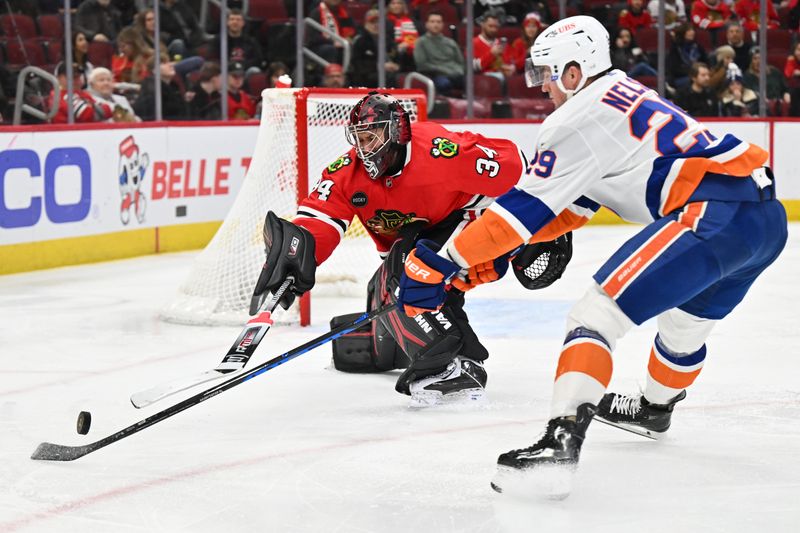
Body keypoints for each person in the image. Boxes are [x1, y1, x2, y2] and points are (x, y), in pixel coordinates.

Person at [394, 15, 787, 496]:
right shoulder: (622, 95)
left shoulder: (577, 118)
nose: (543, 90)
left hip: (715, 215)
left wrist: (445, 262)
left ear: (574, 71)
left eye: (546, 76)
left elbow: (519, 214)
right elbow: (568, 210)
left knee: (596, 314)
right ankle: (654, 409)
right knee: (684, 326)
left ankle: (558, 445)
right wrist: (501, 250)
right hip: (765, 220)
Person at [248, 92, 556, 407]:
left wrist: (533, 233)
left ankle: (450, 368)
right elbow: (319, 220)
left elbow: (521, 169)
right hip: (409, 244)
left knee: (407, 271)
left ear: (397, 131)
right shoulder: (346, 172)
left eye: (372, 136)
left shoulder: (441, 153)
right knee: (383, 288)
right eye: (359, 138)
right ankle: (394, 346)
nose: (364, 148)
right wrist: (296, 255)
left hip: (462, 226)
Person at [413, 11, 465, 96]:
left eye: (438, 22)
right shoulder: (420, 42)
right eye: (432, 22)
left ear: (442, 25)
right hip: (436, 75)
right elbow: (422, 65)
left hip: (456, 74)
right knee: (444, 84)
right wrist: (444, 70)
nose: (435, 24)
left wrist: (458, 71)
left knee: (472, 82)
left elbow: (461, 62)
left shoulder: (451, 42)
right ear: (427, 24)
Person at [350, 9, 401, 88]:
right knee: (388, 77)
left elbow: (397, 57)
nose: (376, 25)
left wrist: (397, 66)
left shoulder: (389, 40)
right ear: (366, 24)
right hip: (367, 75)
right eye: (372, 22)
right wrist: (380, 66)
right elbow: (357, 64)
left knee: (402, 76)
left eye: (378, 22)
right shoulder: (360, 41)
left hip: (390, 73)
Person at [133, 53, 186, 121]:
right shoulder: (152, 89)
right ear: (154, 70)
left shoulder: (174, 87)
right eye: (164, 63)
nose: (170, 65)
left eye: (168, 62)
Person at [211, 8, 264, 76]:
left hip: (245, 71)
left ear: (243, 23)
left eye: (238, 20)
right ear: (227, 22)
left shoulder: (251, 41)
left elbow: (258, 60)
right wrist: (230, 66)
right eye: (232, 19)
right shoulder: (218, 40)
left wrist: (241, 65)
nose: (235, 22)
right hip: (225, 72)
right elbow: (213, 59)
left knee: (255, 70)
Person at [307, 0, 357, 65]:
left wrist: (349, 37)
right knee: (330, 49)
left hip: (341, 45)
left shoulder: (344, 13)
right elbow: (313, 37)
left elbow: (354, 29)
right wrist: (333, 42)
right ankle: (331, 74)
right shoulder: (316, 13)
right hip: (320, 46)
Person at [743, 46, 791, 110]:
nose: (758, 61)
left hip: (777, 105)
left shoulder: (775, 72)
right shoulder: (747, 75)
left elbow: (785, 89)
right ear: (751, 61)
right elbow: (747, 94)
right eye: (755, 58)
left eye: (761, 58)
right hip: (757, 107)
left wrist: (786, 95)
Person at [472, 11, 515, 79]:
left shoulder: (501, 43)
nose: (493, 29)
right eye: (490, 26)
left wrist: (510, 68)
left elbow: (511, 62)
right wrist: (491, 54)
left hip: (504, 78)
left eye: (496, 27)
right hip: (484, 80)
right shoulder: (473, 43)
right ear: (483, 25)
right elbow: (473, 67)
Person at [666, 23, 708, 88]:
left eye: (692, 30)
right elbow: (674, 69)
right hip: (681, 77)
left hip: (698, 75)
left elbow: (706, 62)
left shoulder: (698, 47)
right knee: (696, 80)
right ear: (683, 33)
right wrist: (693, 73)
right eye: (689, 30)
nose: (692, 32)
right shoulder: (676, 48)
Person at [386, 0, 419, 72]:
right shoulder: (385, 22)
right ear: (389, 6)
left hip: (414, 52)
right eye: (393, 3)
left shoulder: (413, 21)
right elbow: (386, 41)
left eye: (399, 3)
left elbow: (422, 36)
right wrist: (397, 46)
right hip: (394, 53)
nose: (396, 6)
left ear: (403, 6)